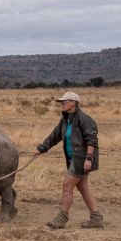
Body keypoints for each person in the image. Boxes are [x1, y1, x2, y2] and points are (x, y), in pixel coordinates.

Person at [30, 91, 103, 229]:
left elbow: (91, 140)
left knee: (67, 185)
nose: (62, 104)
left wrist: (88, 159)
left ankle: (62, 218)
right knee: (83, 187)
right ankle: (96, 218)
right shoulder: (65, 120)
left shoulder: (84, 119)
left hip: (81, 159)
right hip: (73, 158)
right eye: (62, 102)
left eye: (65, 102)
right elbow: (55, 136)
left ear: (73, 103)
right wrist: (41, 149)